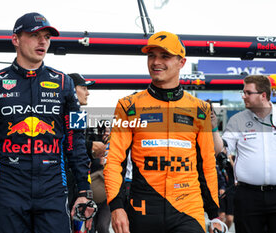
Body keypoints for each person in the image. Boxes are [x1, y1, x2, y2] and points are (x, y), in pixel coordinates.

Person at [0, 12, 92, 233]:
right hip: (9, 189)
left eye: (47, 36)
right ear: (16, 39)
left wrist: (84, 192)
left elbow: (77, 140)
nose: (43, 41)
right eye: (35, 35)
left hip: (53, 189)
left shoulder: (65, 84)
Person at [103, 31, 221, 233]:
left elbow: (207, 164)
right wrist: (116, 206)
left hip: (187, 209)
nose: (156, 62)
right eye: (151, 56)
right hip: (143, 208)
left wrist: (215, 214)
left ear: (181, 62)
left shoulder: (201, 109)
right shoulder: (128, 105)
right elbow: (114, 161)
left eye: (164, 56)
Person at [211, 74, 276, 233]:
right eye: (243, 92)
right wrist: (213, 128)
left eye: (248, 92)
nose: (243, 96)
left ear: (263, 95)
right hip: (247, 196)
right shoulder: (237, 120)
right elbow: (222, 150)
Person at [69, 73, 111, 233]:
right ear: (71, 90)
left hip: (79, 186)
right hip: (59, 187)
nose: (88, 93)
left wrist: (96, 141)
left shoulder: (79, 114)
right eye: (84, 88)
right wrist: (91, 145)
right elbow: (68, 145)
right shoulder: (57, 112)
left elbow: (78, 149)